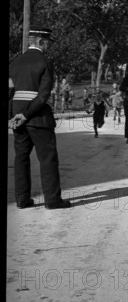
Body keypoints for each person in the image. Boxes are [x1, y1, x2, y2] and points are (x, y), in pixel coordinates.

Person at [8, 25, 72, 209]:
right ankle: (52, 200)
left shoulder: (15, 62)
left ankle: (22, 199)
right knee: (48, 158)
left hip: (17, 118)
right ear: (41, 42)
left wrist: (12, 116)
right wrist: (26, 114)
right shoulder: (44, 62)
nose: (49, 46)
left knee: (21, 157)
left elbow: (9, 91)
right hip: (37, 117)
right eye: (48, 43)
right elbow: (43, 95)